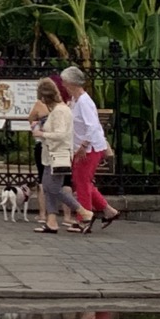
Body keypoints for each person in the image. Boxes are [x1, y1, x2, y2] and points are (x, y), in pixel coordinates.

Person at [29, 77, 94, 234]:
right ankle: (51, 221)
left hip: (58, 154)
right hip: (50, 154)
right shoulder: (59, 110)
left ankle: (84, 212)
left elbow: (61, 134)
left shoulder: (60, 111)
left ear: (45, 97)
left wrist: (41, 133)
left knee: (54, 188)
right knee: (48, 186)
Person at [60, 65, 122, 228]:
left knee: (81, 183)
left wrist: (83, 145)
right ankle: (107, 210)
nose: (64, 85)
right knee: (82, 180)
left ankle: (84, 218)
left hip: (89, 149)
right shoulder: (75, 100)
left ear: (71, 83)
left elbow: (93, 125)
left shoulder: (84, 102)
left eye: (65, 82)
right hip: (84, 147)